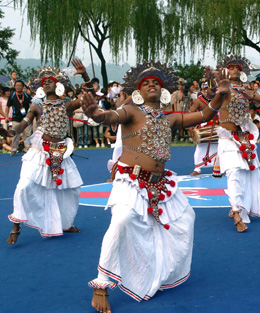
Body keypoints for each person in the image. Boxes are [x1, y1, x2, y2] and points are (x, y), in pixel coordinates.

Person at [82, 61, 228, 312]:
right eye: (146, 82)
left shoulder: (169, 118)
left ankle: (156, 272)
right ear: (138, 91)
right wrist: (95, 114)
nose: (151, 84)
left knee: (186, 218)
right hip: (131, 180)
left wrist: (221, 96)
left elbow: (204, 115)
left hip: (161, 183)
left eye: (156, 83)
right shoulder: (130, 110)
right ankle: (101, 284)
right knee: (122, 221)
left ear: (163, 92)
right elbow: (109, 117)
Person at [6, 59, 91, 245]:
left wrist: (84, 75)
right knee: (24, 186)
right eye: (43, 82)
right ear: (41, 88)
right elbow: (24, 123)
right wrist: (13, 131)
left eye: (49, 80)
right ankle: (16, 225)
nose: (45, 82)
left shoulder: (66, 105)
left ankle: (66, 223)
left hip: (61, 152)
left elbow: (89, 97)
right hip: (40, 152)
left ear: (57, 85)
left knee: (71, 191)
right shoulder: (37, 107)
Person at [213, 54, 260, 232]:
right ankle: (237, 212)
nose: (235, 69)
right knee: (234, 173)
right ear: (225, 71)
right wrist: (214, 86)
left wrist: (252, 95)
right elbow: (209, 96)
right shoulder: (222, 89)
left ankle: (241, 207)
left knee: (247, 175)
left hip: (245, 138)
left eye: (238, 67)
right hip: (227, 138)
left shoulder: (245, 90)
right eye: (231, 67)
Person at [189, 75, 218, 176]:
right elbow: (190, 113)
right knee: (200, 148)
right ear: (203, 90)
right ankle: (197, 169)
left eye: (209, 89)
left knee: (219, 147)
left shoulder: (217, 100)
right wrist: (190, 126)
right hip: (203, 128)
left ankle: (218, 167)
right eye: (205, 89)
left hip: (217, 126)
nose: (207, 91)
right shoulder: (198, 100)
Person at [6, 80, 32, 156]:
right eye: (16, 85)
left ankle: (27, 149)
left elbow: (32, 104)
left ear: (23, 87)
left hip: (26, 118)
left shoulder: (27, 96)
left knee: (27, 134)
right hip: (15, 118)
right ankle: (14, 149)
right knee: (15, 135)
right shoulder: (12, 96)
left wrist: (31, 114)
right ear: (14, 87)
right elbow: (7, 106)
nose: (18, 87)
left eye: (20, 85)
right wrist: (6, 116)